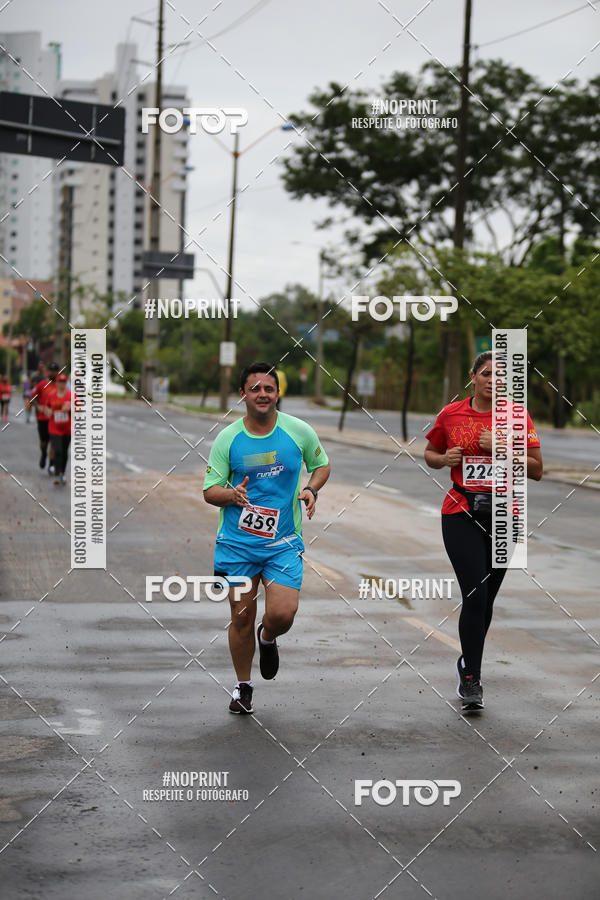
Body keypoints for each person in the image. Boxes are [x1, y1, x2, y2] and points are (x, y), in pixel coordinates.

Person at [203, 361, 331, 715]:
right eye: (255, 389)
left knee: (283, 613)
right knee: (241, 617)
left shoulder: (298, 431)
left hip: (282, 543)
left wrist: (311, 489)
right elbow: (210, 490)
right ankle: (243, 686)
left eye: (269, 389)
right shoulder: (228, 439)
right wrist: (232, 495)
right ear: (242, 394)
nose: (262, 394)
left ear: (277, 393)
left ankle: (268, 637)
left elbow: (321, 465)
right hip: (237, 546)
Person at [424, 351, 543, 712]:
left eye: (500, 376)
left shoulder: (517, 416)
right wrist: (443, 460)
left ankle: (467, 661)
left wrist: (504, 449)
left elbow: (537, 470)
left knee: (486, 600)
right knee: (475, 595)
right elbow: (430, 453)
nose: (494, 380)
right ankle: (472, 678)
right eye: (487, 373)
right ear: (473, 376)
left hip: (506, 515)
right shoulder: (451, 413)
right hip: (460, 510)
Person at [29, 362, 58, 471]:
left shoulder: (60, 385)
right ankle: (44, 453)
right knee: (44, 442)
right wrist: (38, 406)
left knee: (54, 442)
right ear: (48, 372)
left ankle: (51, 464)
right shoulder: (42, 385)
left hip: (55, 419)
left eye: (55, 371)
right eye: (51, 371)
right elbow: (32, 399)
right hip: (43, 418)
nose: (53, 373)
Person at [47, 374, 71, 485]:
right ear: (56, 383)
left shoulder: (71, 395)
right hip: (54, 428)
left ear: (66, 383)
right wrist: (48, 411)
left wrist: (70, 408)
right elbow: (46, 408)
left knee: (64, 452)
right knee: (58, 450)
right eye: (60, 382)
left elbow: (80, 408)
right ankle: (57, 474)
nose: (62, 384)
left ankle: (62, 473)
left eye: (64, 382)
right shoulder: (51, 395)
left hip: (67, 429)